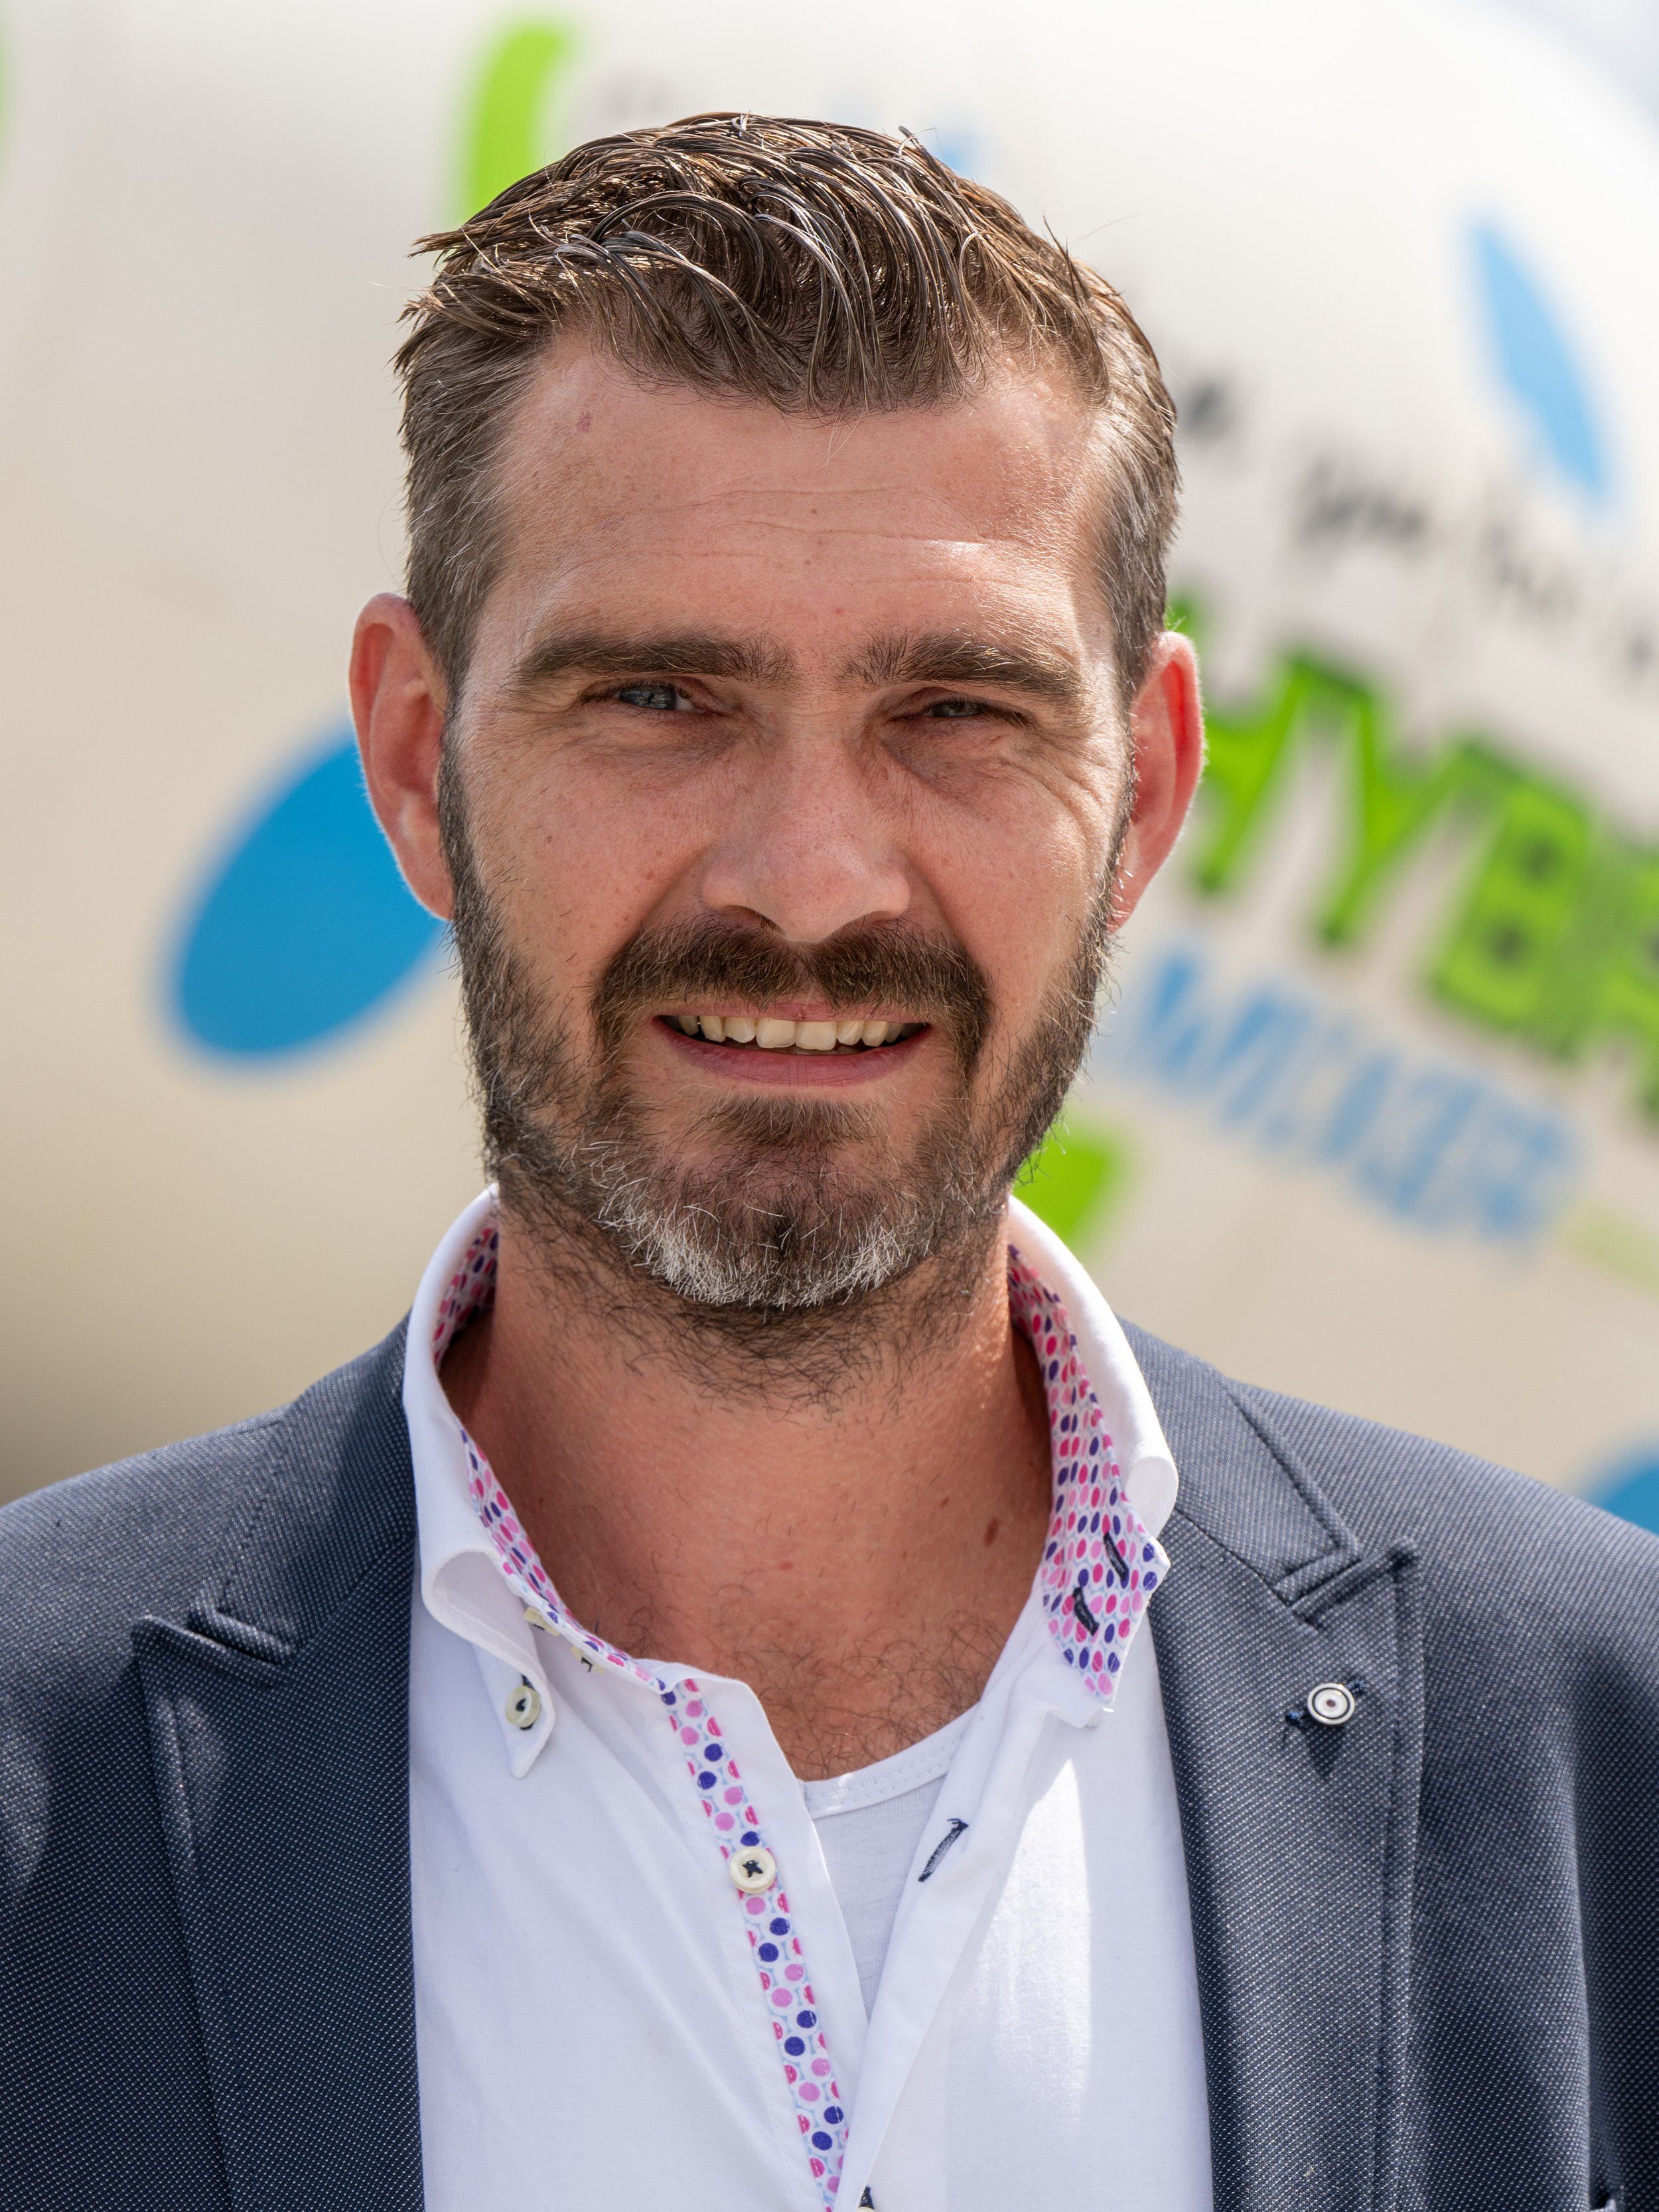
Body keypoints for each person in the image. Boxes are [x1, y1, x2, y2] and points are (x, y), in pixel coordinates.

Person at [1, 115, 1654, 2212]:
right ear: (418, 763)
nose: (807, 882)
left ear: (1143, 795)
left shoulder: (1594, 1751)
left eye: (954, 711)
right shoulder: (31, 1768)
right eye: (657, 695)